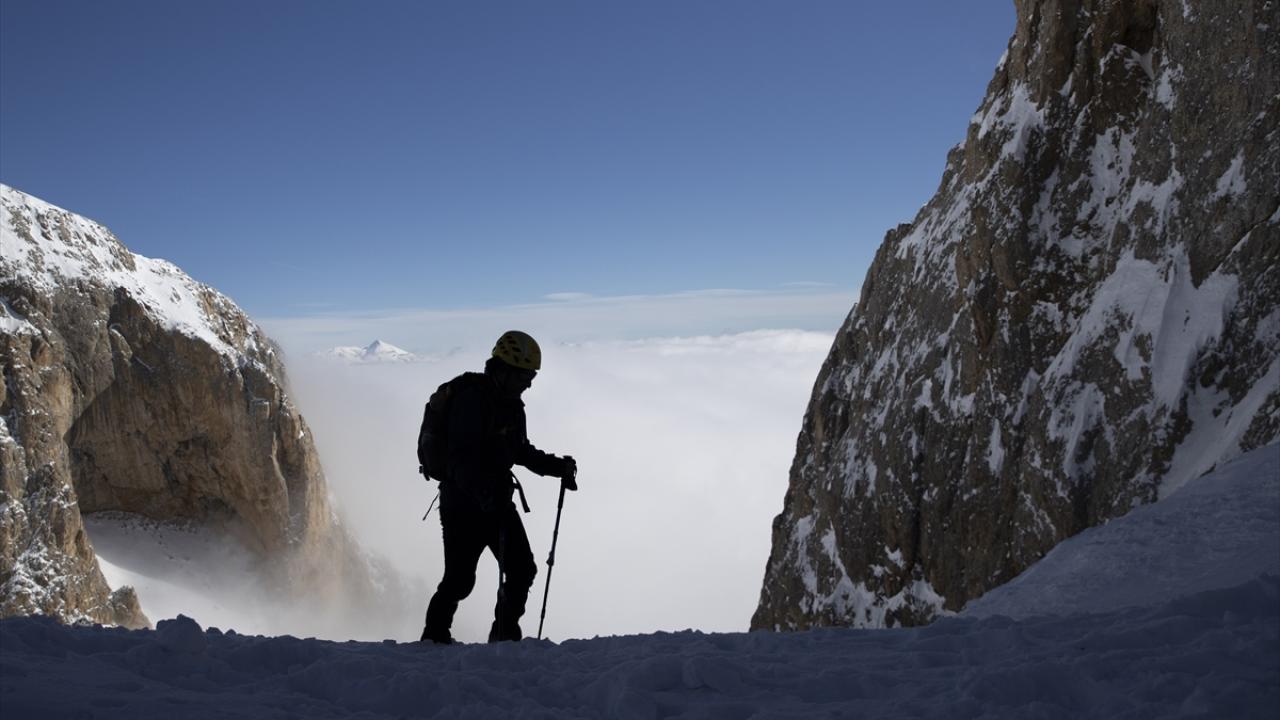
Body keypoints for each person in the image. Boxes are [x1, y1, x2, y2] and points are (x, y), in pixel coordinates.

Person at [421, 330, 577, 644]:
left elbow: (517, 450)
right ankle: (434, 637)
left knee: (521, 570)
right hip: (463, 505)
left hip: (494, 500)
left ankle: (504, 637)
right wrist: (484, 493)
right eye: (525, 375)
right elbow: (458, 460)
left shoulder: (511, 405)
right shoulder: (471, 400)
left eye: (531, 376)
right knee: (460, 580)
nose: (529, 383)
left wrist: (555, 466)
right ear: (504, 369)